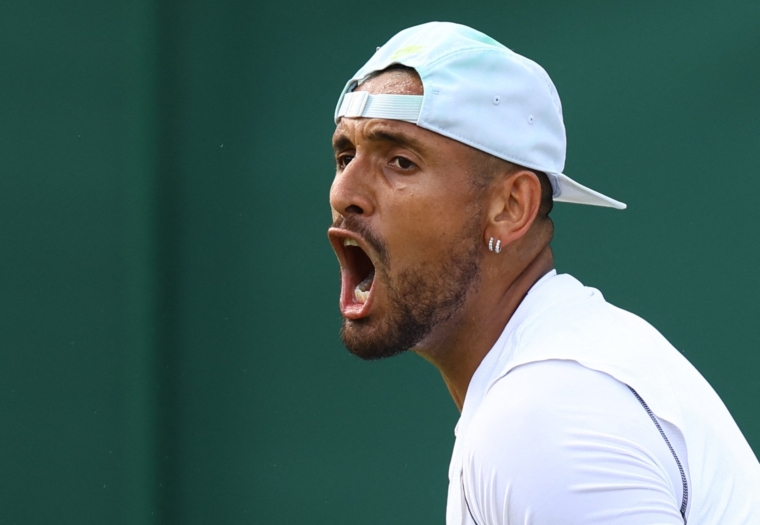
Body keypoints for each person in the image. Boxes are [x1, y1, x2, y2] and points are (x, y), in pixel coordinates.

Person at [326, 22, 760, 525]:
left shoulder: (543, 414)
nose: (343, 192)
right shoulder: (557, 377)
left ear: (511, 207)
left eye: (401, 162)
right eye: (345, 156)